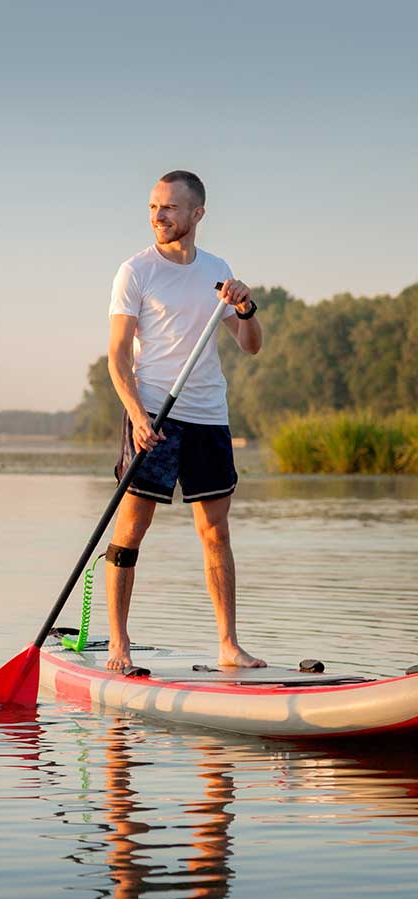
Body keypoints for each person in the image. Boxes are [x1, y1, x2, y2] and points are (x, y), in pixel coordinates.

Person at [104, 170, 265, 672]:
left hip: (208, 416)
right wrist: (137, 417)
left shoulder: (217, 270)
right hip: (155, 413)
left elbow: (251, 345)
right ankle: (118, 645)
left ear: (197, 214)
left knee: (216, 533)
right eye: (154, 206)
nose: (159, 216)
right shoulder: (136, 271)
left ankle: (228, 645)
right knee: (132, 527)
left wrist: (245, 307)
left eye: (170, 207)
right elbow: (116, 358)